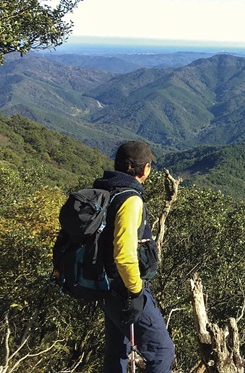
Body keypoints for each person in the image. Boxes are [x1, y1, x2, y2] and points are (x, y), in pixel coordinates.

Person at [93, 141, 175, 372]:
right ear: (144, 169)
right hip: (126, 289)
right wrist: (136, 290)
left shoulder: (107, 190)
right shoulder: (130, 200)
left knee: (117, 351)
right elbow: (124, 253)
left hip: (107, 287)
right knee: (161, 351)